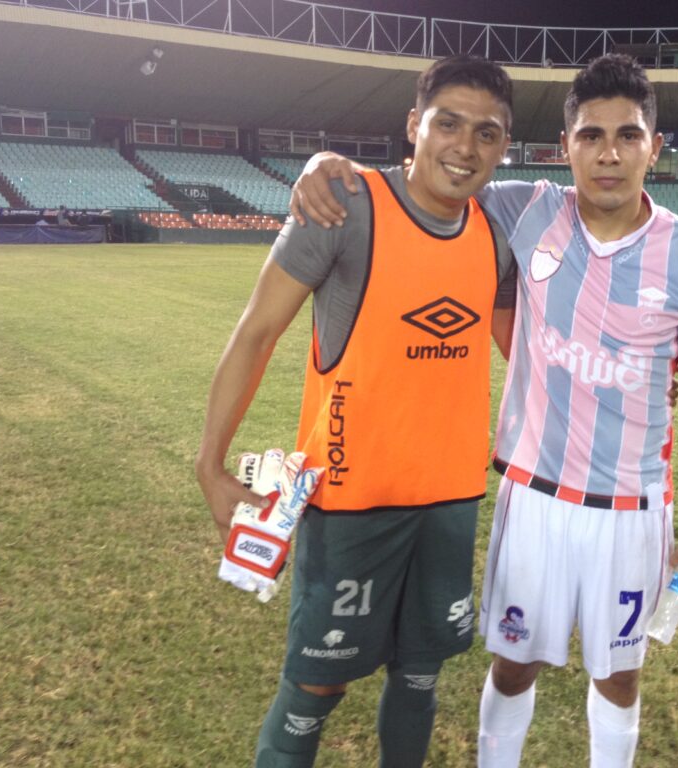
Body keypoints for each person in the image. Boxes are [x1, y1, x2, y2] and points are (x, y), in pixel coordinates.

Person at [292, 53, 678, 768]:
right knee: (514, 664)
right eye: (591, 136)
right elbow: (425, 176)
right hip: (533, 496)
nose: (609, 154)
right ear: (567, 147)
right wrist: (326, 160)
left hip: (633, 508)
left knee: (619, 674)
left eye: (628, 135)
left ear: (655, 145)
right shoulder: (526, 209)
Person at [195, 54, 517, 768]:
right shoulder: (342, 206)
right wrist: (210, 464)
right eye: (449, 124)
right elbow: (256, 332)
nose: (465, 147)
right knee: (315, 685)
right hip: (349, 505)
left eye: (488, 134)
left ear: (503, 147)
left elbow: (528, 353)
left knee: (421, 672)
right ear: (414, 125)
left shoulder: (495, 235)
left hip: (451, 503)